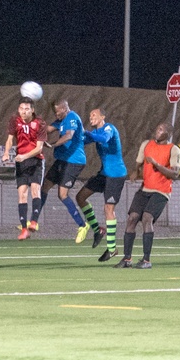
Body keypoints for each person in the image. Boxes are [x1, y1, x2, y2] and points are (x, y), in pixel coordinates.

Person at [115, 122, 180, 269]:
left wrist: (157, 165)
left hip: (161, 191)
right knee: (132, 218)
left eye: (161, 129)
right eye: (157, 128)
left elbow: (175, 174)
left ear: (168, 134)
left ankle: (146, 260)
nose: (157, 131)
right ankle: (127, 259)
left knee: (147, 218)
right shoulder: (146, 145)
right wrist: (135, 171)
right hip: (145, 189)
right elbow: (139, 163)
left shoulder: (173, 149)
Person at [75, 108, 127, 262]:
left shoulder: (109, 128)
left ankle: (112, 249)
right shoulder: (95, 134)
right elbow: (82, 141)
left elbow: (104, 138)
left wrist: (86, 133)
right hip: (104, 174)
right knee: (80, 197)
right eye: (89, 115)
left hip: (116, 174)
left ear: (103, 117)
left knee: (108, 209)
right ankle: (97, 230)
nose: (91, 117)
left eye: (94, 115)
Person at [40, 100, 89, 242]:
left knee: (62, 194)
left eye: (57, 112)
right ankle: (34, 222)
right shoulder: (60, 120)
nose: (56, 115)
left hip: (74, 161)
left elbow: (68, 135)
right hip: (62, 160)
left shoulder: (72, 117)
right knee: (44, 187)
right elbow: (47, 130)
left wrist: (52, 145)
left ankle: (82, 225)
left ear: (64, 108)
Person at [2, 97, 48, 240]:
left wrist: (24, 156)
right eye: (21, 108)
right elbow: (10, 139)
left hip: (35, 160)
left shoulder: (40, 123)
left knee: (35, 190)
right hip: (21, 162)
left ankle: (34, 221)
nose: (23, 111)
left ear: (32, 110)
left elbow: (39, 148)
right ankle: (24, 229)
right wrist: (6, 153)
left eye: (27, 109)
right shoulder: (14, 120)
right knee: (22, 194)